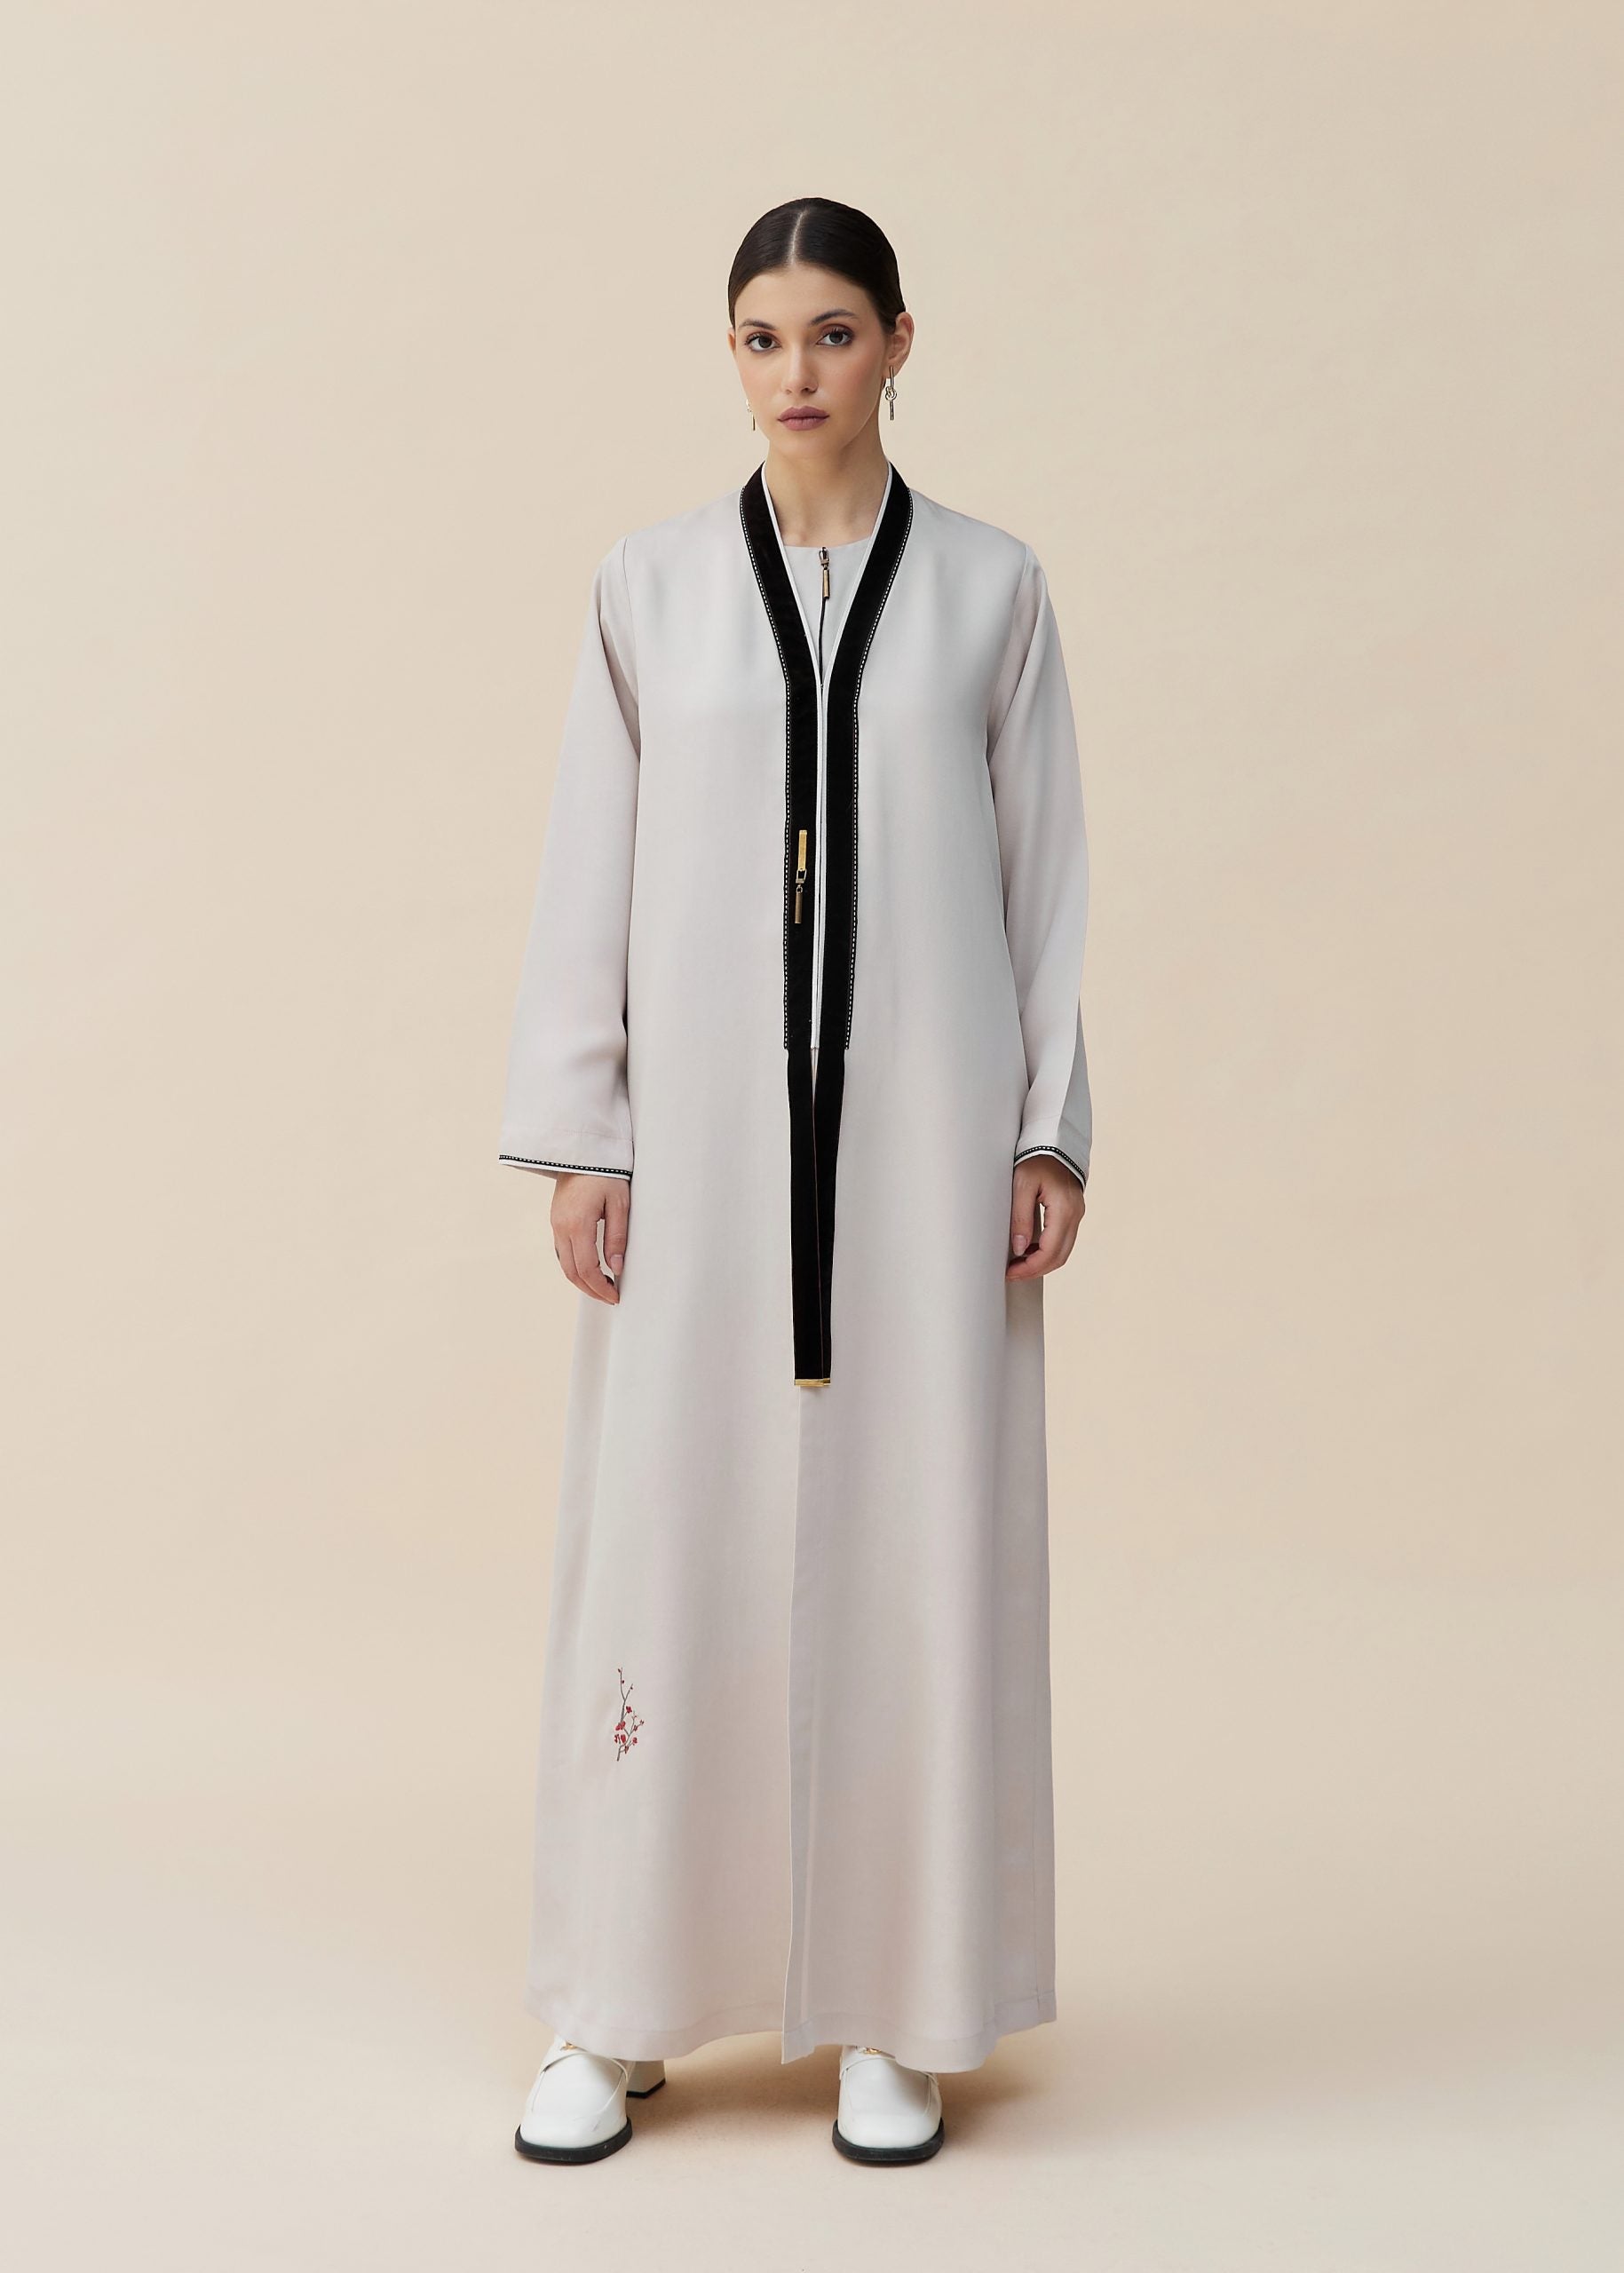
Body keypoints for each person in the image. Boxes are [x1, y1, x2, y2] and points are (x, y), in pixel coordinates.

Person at [498, 196, 1092, 2166]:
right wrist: (587, 1130)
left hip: (925, 1160)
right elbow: (589, 864)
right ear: (733, 356)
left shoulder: (991, 590)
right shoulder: (650, 589)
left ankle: (893, 2008)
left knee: (916, 1539)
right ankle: (618, 2006)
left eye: (833, 332)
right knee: (667, 1540)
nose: (798, 372)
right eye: (763, 337)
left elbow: (1045, 877)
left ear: (899, 343)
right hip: (701, 1167)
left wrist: (1046, 1124)